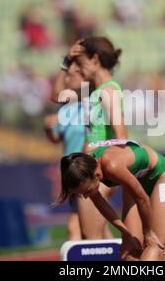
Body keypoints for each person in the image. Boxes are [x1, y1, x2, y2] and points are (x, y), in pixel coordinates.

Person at [54, 139, 165, 261]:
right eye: (82, 194)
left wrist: (148, 232)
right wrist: (127, 235)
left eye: (87, 191)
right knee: (131, 252)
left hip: (161, 176)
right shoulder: (86, 168)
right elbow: (102, 205)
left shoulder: (112, 166)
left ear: (97, 175)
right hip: (135, 181)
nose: (85, 196)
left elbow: (142, 198)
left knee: (154, 246)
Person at [62, 36, 127, 239]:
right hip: (93, 168)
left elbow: (122, 139)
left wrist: (92, 148)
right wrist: (66, 61)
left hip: (99, 170)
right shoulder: (94, 91)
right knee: (96, 237)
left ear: (95, 60)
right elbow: (57, 94)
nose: (79, 69)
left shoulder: (108, 91)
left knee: (91, 239)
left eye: (81, 63)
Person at [44, 62, 85, 241]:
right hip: (71, 171)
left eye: (72, 75)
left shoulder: (92, 105)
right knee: (84, 225)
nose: (67, 80)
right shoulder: (66, 109)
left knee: (78, 226)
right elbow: (55, 138)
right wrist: (47, 128)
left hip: (87, 169)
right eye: (67, 76)